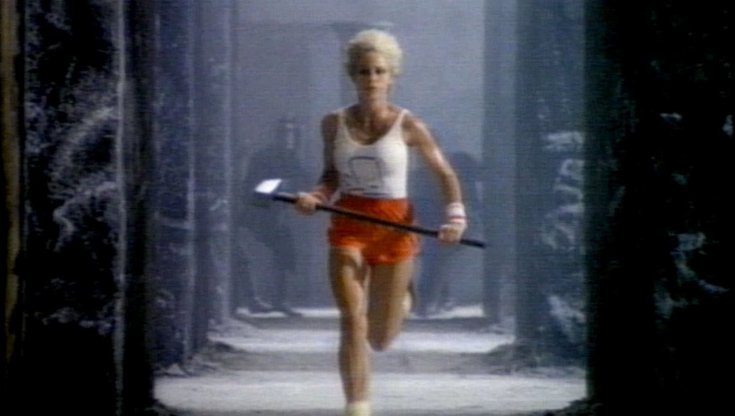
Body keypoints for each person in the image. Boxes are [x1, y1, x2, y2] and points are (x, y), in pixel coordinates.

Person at [294, 29, 468, 416]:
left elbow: (445, 174)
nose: (371, 79)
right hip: (349, 225)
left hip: (395, 227)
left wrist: (456, 218)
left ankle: (402, 300)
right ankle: (357, 406)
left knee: (381, 339)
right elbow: (331, 176)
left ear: (392, 77)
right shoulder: (333, 123)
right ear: (352, 76)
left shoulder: (408, 125)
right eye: (363, 71)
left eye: (379, 71)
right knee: (352, 320)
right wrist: (316, 197)